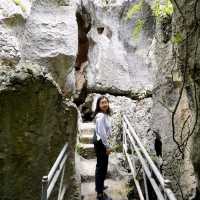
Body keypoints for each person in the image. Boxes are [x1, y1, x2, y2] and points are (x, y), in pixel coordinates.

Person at [93, 95, 112, 200]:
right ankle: (99, 194)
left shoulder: (105, 114)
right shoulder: (101, 116)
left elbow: (107, 129)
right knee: (101, 167)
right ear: (99, 105)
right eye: (102, 103)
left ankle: (100, 186)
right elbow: (102, 133)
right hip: (101, 143)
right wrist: (107, 146)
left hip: (102, 142)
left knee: (103, 166)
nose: (105, 104)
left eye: (106, 102)